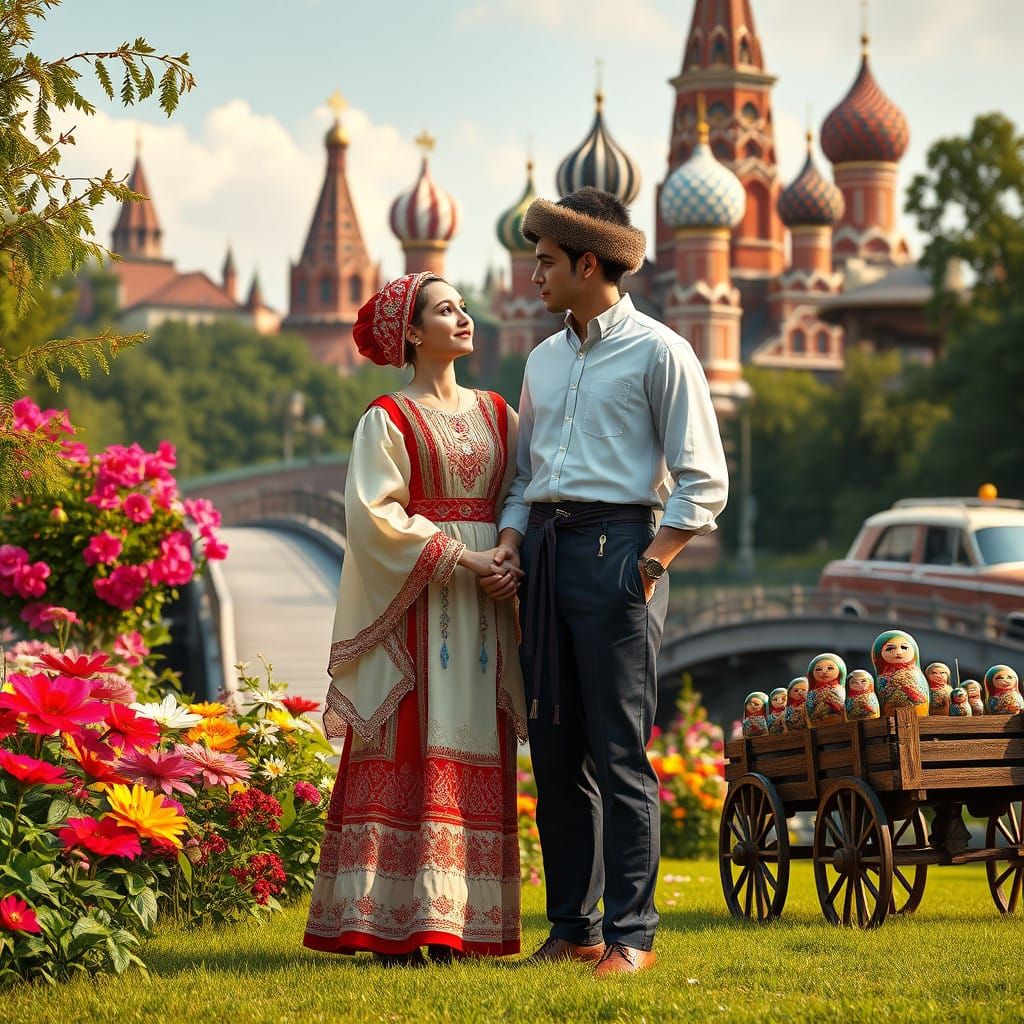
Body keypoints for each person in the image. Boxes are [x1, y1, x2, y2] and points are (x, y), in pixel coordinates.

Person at [487, 187, 728, 976]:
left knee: (620, 751)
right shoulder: (542, 358)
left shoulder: (662, 351)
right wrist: (515, 546)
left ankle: (633, 936)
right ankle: (574, 928)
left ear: (589, 264)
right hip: (548, 558)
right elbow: (522, 477)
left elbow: (703, 481)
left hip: (619, 552)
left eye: (546, 262)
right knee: (554, 749)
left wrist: (651, 564)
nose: (534, 276)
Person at [303, 272, 527, 966]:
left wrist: (511, 552)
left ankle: (468, 923)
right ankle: (393, 923)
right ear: (411, 332)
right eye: (445, 310)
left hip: (491, 606)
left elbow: (523, 489)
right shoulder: (387, 418)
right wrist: (464, 559)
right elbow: (373, 517)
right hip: (420, 604)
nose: (463, 318)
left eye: (463, 307)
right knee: (408, 738)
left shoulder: (498, 413)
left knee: (479, 744)